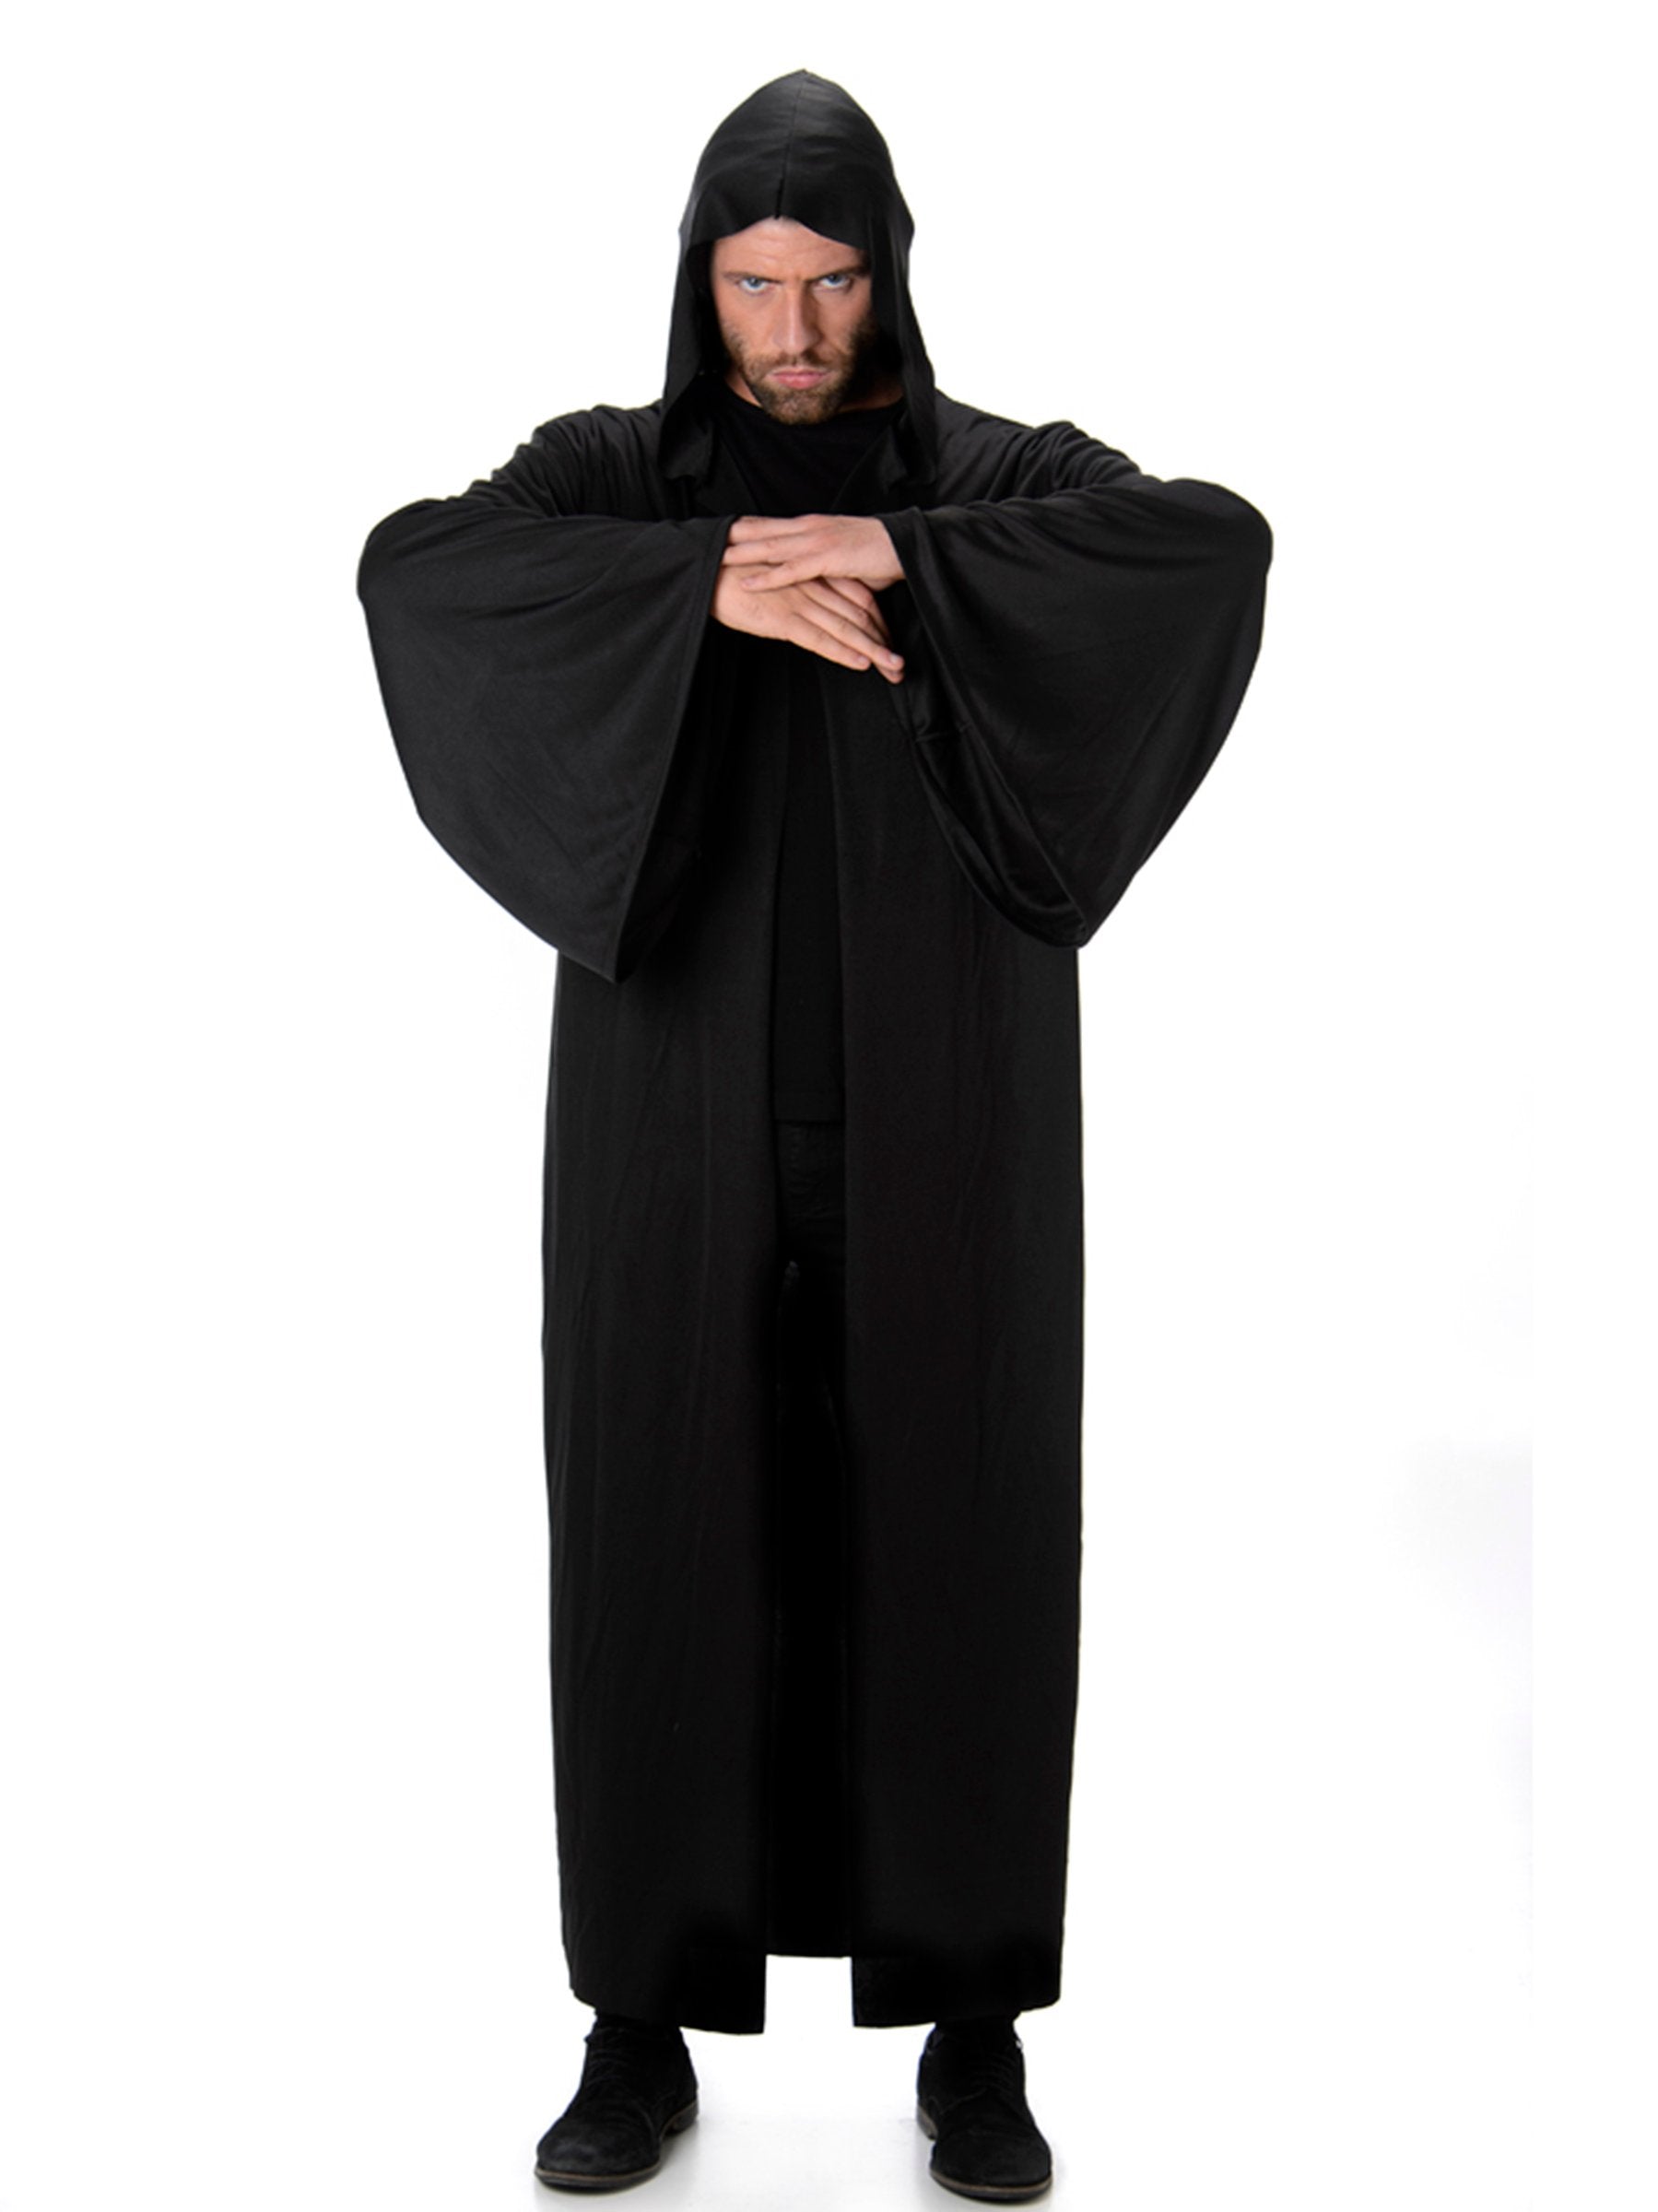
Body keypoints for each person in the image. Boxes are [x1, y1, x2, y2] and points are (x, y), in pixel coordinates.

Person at [357, 68, 1270, 2202]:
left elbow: (1210, 542)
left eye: (832, 279)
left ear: (892, 274)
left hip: (949, 1088)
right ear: (701, 282)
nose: (792, 327)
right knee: (657, 1516)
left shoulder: (988, 471)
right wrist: (700, 588)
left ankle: (973, 2031)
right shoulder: (617, 475)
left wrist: (894, 554)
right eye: (754, 283)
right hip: (668, 1086)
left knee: (957, 1511)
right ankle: (635, 2026)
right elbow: (412, 569)